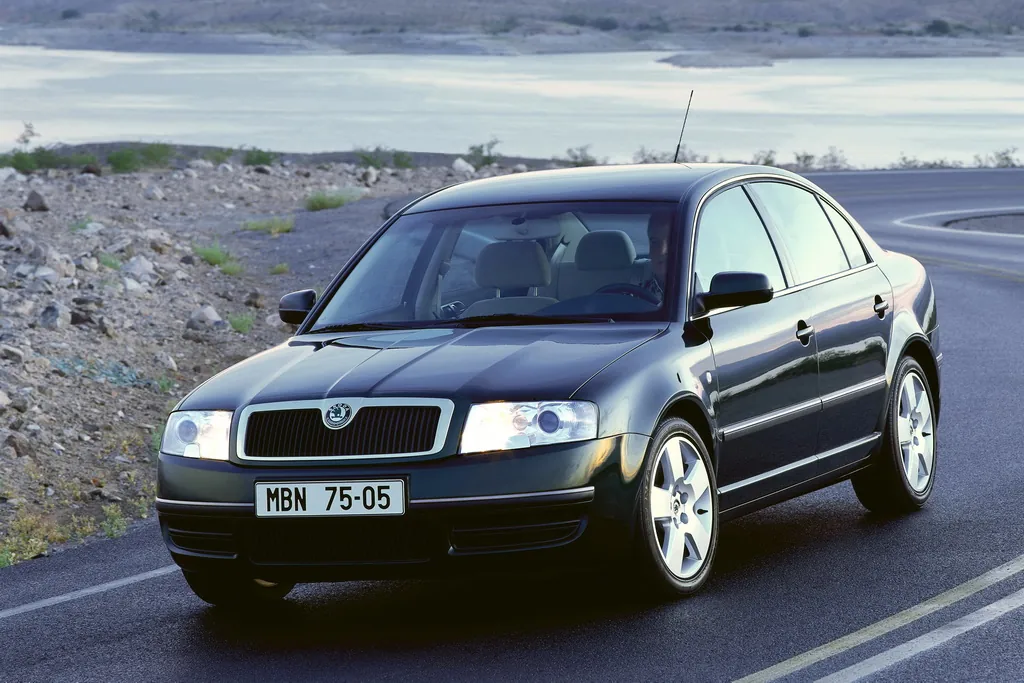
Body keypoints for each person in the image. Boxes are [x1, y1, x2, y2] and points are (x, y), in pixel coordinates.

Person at [640, 209, 672, 302]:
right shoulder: (633, 292)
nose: (662, 251)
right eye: (655, 242)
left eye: (671, 241)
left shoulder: (698, 289)